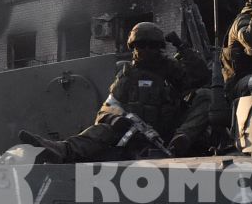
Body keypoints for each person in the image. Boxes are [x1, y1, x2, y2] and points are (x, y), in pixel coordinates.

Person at [21, 22, 195, 162]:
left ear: (159, 48)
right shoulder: (127, 76)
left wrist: (183, 48)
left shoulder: (172, 71)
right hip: (133, 136)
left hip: (168, 135)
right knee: (103, 129)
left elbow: (201, 79)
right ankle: (61, 150)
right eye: (141, 45)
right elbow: (106, 110)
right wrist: (117, 119)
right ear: (133, 47)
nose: (146, 50)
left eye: (152, 45)